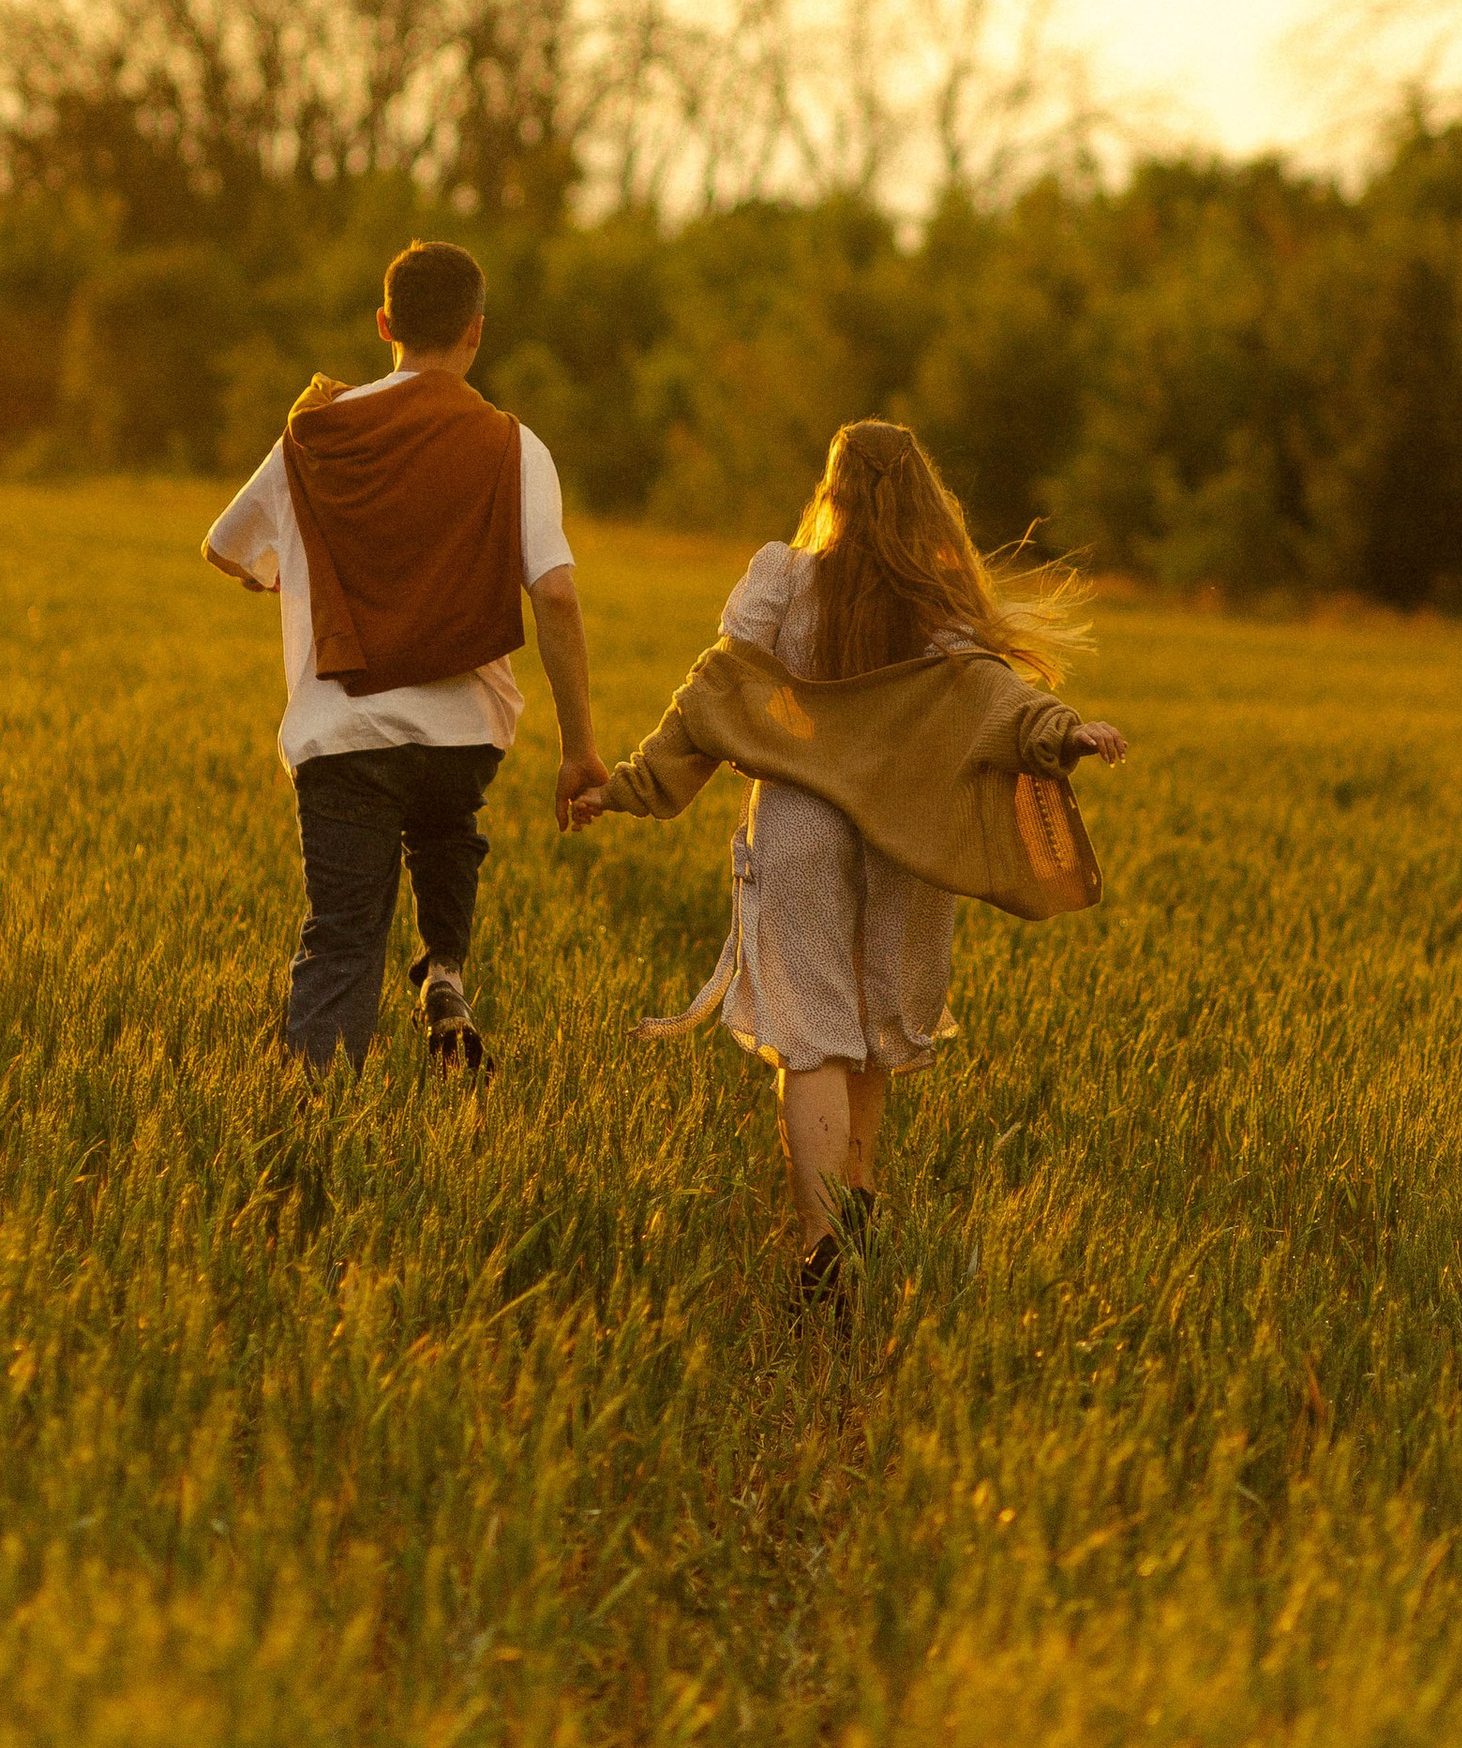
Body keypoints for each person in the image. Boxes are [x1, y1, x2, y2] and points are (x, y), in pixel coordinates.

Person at [569, 418, 1124, 1307]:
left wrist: (629, 785)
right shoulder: (931, 601)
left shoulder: (782, 581)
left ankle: (827, 1247)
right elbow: (998, 698)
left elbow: (713, 696)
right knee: (870, 1030)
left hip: (799, 830)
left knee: (811, 1041)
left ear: (832, 492)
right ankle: (857, 1211)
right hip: (903, 838)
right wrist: (1066, 732)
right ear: (920, 498)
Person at [202, 237, 606, 1079]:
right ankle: (445, 967)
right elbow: (557, 594)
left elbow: (224, 546)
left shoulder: (314, 437)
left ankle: (314, 1135)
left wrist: (274, 577)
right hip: (464, 737)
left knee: (343, 941)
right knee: (445, 823)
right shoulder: (513, 445)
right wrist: (580, 751)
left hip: (344, 735)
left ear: (384, 322)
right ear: (476, 334)